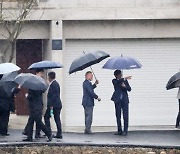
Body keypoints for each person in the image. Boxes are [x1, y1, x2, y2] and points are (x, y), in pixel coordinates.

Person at [23, 69, 53, 142]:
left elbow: (32, 96)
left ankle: (49, 134)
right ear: (37, 73)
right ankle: (29, 136)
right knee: (31, 121)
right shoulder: (40, 84)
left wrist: (27, 96)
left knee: (38, 121)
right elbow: (42, 91)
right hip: (36, 105)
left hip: (35, 106)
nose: (42, 74)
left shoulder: (34, 84)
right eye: (41, 73)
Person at [111, 70, 132, 136]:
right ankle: (119, 130)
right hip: (117, 100)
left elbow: (129, 89)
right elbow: (117, 82)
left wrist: (125, 86)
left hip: (124, 100)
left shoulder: (124, 81)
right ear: (116, 75)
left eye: (121, 74)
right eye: (119, 75)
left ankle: (125, 130)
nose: (121, 75)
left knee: (125, 116)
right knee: (118, 115)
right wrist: (124, 79)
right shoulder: (114, 80)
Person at [44, 72, 62, 139]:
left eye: (48, 77)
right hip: (56, 104)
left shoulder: (54, 84)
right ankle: (58, 133)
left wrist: (51, 105)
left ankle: (49, 132)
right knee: (56, 118)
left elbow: (54, 96)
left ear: (50, 77)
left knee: (47, 117)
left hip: (54, 105)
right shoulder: (54, 84)